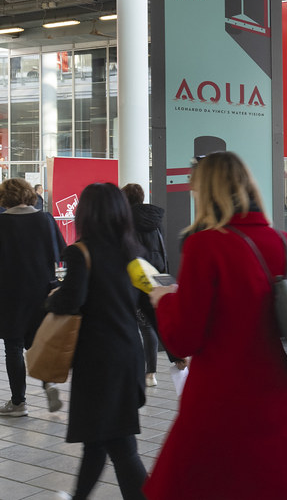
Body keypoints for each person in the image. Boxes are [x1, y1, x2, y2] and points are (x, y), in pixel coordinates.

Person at [143, 151, 287, 500]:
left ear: (207, 191)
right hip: (275, 388)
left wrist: (166, 300)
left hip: (221, 395)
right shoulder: (282, 241)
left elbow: (184, 337)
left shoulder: (206, 245)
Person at [46, 183, 148, 499]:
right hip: (129, 354)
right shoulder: (133, 252)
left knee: (118, 443)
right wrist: (174, 353)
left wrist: (51, 299)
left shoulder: (80, 252)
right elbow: (150, 301)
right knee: (98, 438)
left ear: (86, 213)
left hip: (98, 360)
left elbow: (71, 300)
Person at [0, 178, 66, 417]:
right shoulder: (45, 218)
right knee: (39, 343)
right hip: (41, 291)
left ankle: (18, 403)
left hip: (9, 294)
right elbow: (60, 254)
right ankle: (49, 383)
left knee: (13, 347)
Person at [121, 183, 167, 388]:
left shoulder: (125, 220)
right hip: (154, 274)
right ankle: (151, 373)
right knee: (148, 325)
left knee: (131, 324)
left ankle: (134, 370)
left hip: (133, 275)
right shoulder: (154, 218)